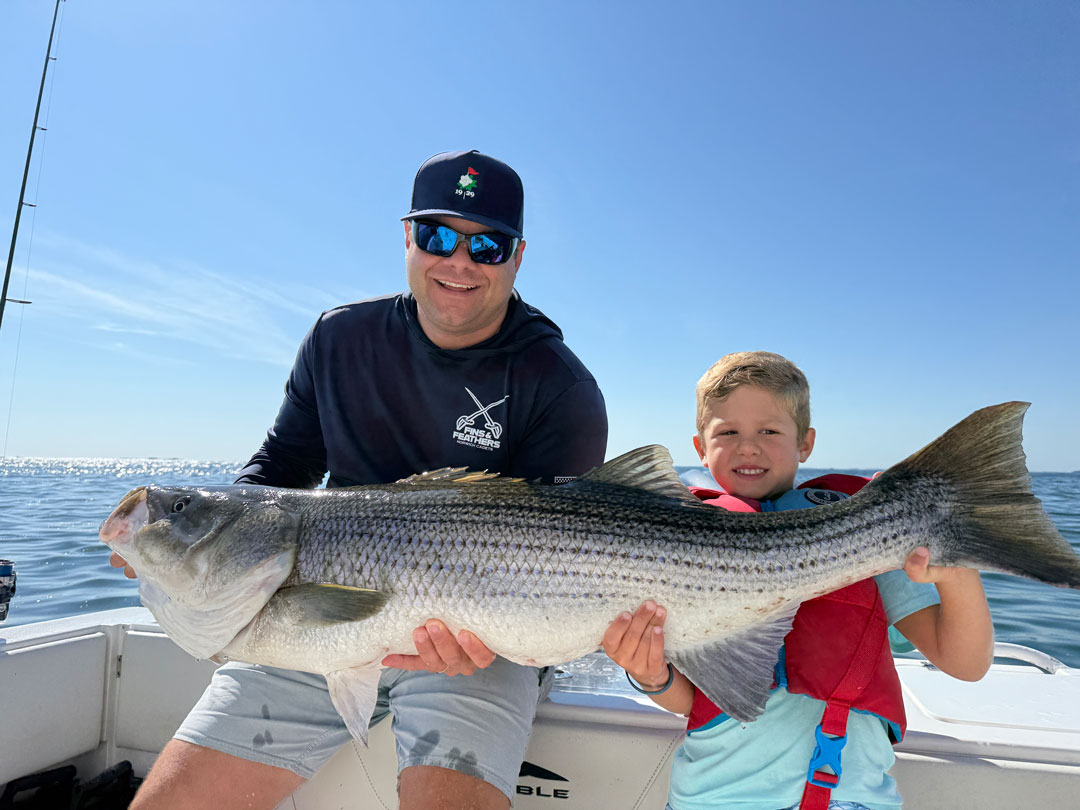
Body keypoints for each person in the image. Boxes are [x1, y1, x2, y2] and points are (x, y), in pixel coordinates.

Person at [110, 149, 608, 810]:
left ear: (517, 257)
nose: (459, 262)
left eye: (487, 245)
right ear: (407, 237)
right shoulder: (336, 339)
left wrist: (500, 641)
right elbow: (277, 474)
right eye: (437, 236)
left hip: (474, 647)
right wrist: (192, 553)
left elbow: (571, 559)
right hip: (314, 616)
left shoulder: (559, 385)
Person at [603, 351, 992, 810]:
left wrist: (957, 569)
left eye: (769, 431)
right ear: (699, 448)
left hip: (850, 800)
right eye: (728, 433)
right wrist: (651, 676)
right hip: (711, 799)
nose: (748, 447)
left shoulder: (862, 532)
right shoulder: (665, 544)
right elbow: (692, 700)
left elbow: (965, 664)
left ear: (805, 443)